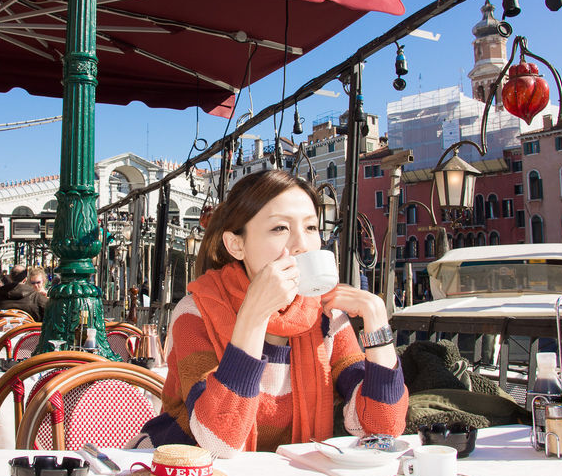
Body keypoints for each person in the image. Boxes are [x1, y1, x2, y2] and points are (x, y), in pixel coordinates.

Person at [139, 170, 407, 456]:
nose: (302, 244)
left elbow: (382, 429)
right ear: (236, 245)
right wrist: (254, 315)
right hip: (176, 473)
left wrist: (378, 326)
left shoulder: (325, 316)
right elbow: (218, 440)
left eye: (311, 228)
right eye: (280, 228)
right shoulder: (197, 310)